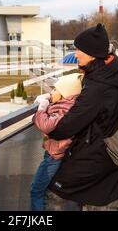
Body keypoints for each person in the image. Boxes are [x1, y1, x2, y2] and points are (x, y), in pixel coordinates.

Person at [47, 23, 118, 211]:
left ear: (92, 54)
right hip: (108, 153)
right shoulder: (112, 74)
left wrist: (49, 128)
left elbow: (69, 125)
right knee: (95, 202)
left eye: (79, 50)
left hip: (94, 155)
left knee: (54, 195)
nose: (76, 54)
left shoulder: (98, 86)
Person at [30, 73, 83, 211]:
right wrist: (49, 98)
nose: (51, 92)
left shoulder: (64, 109)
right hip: (61, 153)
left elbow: (46, 125)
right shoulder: (70, 104)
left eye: (55, 90)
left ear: (65, 93)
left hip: (55, 155)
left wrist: (42, 108)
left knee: (36, 190)